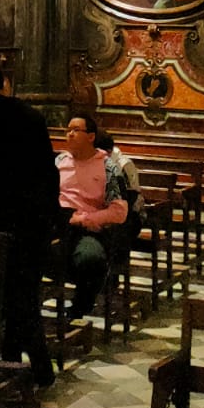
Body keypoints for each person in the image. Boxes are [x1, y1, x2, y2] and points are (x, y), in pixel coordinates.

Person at [0, 59, 59, 388]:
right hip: (33, 220)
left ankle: (39, 369)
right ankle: (14, 357)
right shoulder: (32, 115)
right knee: (23, 292)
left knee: (12, 296)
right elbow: (48, 170)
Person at [55, 112, 129, 319]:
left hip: (87, 228)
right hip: (58, 223)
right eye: (67, 130)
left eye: (76, 130)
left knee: (90, 258)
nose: (70, 134)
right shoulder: (59, 161)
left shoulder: (108, 167)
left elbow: (119, 211)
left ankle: (80, 306)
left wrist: (86, 219)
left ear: (91, 136)